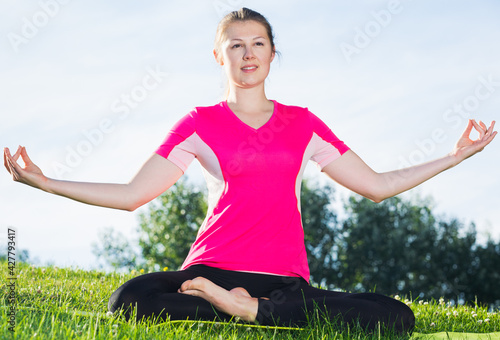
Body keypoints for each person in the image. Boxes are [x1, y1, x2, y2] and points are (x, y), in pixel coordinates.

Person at [4, 7, 496, 335]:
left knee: (397, 317)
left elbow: (378, 186)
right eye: (235, 45)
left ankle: (248, 311)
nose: (248, 54)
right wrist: (46, 183)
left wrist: (456, 157)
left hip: (282, 281)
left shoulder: (302, 123)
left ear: (272, 54)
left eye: (258, 43)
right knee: (129, 299)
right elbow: (135, 194)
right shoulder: (199, 123)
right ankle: (238, 305)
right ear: (219, 56)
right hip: (209, 272)